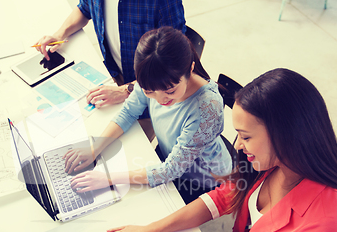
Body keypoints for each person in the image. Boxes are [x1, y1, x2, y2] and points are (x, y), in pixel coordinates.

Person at [93, 68, 337, 232]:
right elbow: (222, 198)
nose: (238, 146)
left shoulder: (332, 216)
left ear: (286, 136)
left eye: (246, 137)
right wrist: (152, 229)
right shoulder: (270, 162)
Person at [64, 26, 232, 204]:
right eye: (149, 91)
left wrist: (108, 178)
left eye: (170, 91)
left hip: (201, 180)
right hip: (171, 154)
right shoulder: (154, 77)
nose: (160, 100)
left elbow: (170, 171)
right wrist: (94, 148)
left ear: (190, 69)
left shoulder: (207, 109)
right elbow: (129, 112)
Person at [34, 0, 186, 141]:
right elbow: (84, 8)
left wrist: (125, 91)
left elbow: (175, 59)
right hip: (113, 76)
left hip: (153, 97)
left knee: (116, 153)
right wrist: (60, 34)